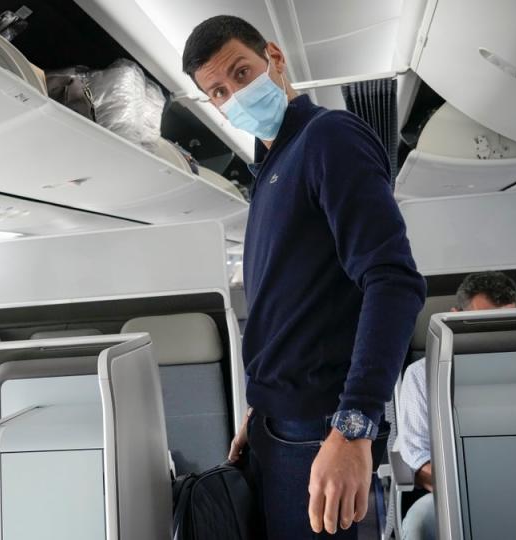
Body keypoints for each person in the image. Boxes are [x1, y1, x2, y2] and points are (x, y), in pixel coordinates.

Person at [182, 16, 426, 539]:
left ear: (274, 56)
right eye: (219, 92)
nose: (236, 95)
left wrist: (354, 427)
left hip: (321, 430)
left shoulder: (328, 137)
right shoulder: (268, 169)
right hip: (277, 425)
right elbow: (290, 306)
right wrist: (261, 403)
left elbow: (393, 281)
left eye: (242, 72)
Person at [397, 271, 516, 540]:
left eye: (507, 321)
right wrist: (471, 492)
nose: (498, 333)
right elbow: (417, 458)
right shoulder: (422, 375)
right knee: (420, 524)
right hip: (457, 493)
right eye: (486, 322)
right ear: (454, 315)